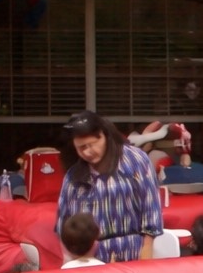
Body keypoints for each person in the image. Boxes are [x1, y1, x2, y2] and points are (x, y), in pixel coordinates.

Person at [55, 110, 164, 262]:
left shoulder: (136, 160)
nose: (87, 152)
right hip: (89, 257)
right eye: (81, 147)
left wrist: (146, 254)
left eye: (92, 145)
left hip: (133, 251)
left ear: (104, 135)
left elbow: (151, 209)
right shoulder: (74, 175)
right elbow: (63, 222)